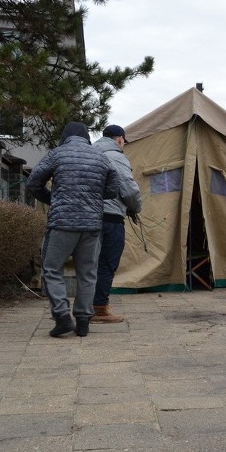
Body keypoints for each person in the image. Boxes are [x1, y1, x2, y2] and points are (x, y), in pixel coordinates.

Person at [27, 122, 118, 338]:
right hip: (92, 225)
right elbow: (113, 189)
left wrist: (53, 200)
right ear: (87, 136)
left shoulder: (57, 154)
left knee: (51, 268)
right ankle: (84, 321)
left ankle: (62, 317)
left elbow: (33, 182)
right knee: (88, 273)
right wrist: (91, 200)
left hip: (62, 224)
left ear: (65, 136)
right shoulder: (100, 157)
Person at [91, 125, 143, 323]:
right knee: (106, 263)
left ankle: (83, 308)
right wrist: (135, 208)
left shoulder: (90, 153)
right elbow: (129, 190)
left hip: (87, 216)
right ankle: (99, 309)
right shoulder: (115, 156)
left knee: (89, 264)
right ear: (120, 139)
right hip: (110, 217)